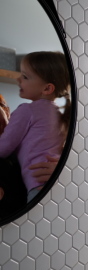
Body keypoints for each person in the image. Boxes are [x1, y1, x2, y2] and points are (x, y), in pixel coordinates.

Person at [0, 51, 71, 202]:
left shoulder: (27, 110)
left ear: (47, 89)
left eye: (25, 77)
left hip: (37, 184)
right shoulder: (60, 113)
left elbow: (4, 147)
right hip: (58, 183)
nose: (18, 79)